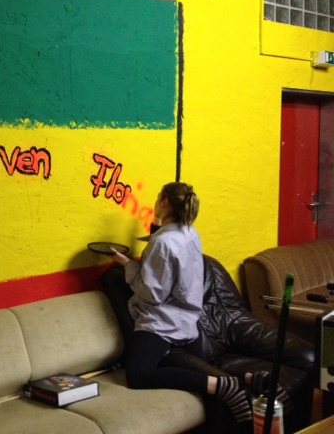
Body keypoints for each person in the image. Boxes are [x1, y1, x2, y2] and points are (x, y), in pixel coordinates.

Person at [102, 182, 287, 425]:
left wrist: (128, 265)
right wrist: (156, 225)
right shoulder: (190, 232)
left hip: (161, 322)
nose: (155, 201)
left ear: (165, 202)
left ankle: (220, 385)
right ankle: (251, 379)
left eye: (158, 198)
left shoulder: (162, 243)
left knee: (138, 375)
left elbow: (153, 293)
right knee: (189, 364)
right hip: (188, 320)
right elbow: (166, 257)